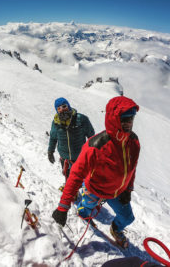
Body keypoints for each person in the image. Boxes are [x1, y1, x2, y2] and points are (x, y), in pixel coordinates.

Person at [52, 96, 140, 248]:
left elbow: (132, 168)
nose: (129, 123)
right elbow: (76, 175)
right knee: (85, 210)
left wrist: (128, 189)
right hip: (95, 189)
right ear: (114, 119)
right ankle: (83, 210)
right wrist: (63, 207)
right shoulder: (96, 145)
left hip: (118, 192)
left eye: (131, 118)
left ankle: (116, 228)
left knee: (127, 217)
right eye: (124, 118)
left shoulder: (133, 142)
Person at [47, 97, 95, 180]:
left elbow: (91, 136)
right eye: (59, 108)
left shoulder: (81, 119)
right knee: (69, 180)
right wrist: (50, 151)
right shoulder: (56, 123)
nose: (62, 110)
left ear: (68, 106)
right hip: (65, 159)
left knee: (83, 181)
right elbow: (53, 137)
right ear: (57, 110)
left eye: (64, 106)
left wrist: (93, 152)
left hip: (80, 158)